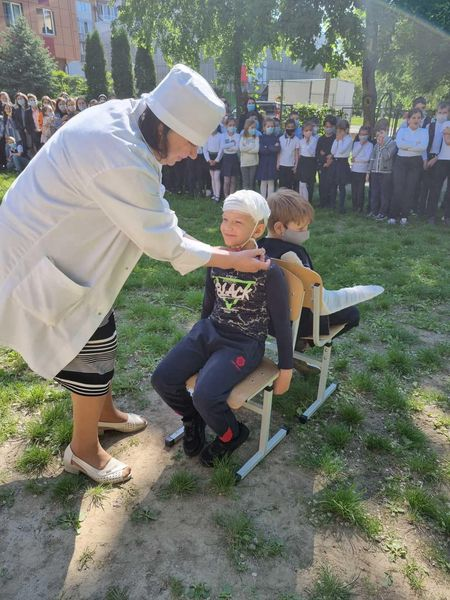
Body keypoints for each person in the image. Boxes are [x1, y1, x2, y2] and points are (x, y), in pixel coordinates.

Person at [0, 64, 270, 485]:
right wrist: (229, 259)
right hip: (42, 254)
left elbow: (156, 212)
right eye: (190, 142)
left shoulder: (134, 122)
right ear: (166, 125)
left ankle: (104, 413)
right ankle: (83, 450)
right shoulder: (118, 153)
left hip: (68, 251)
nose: (194, 154)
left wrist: (217, 254)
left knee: (100, 330)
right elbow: (163, 240)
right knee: (90, 353)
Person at [151, 190, 293, 466]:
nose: (228, 227)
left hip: (244, 343)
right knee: (162, 378)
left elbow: (282, 324)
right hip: (209, 331)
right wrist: (198, 339)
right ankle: (192, 418)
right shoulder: (216, 258)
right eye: (225, 219)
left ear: (258, 229)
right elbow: (209, 303)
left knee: (206, 395)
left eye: (237, 222)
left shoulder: (269, 272)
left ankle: (232, 434)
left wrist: (285, 370)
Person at [258, 188, 360, 351]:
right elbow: (313, 295)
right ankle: (302, 342)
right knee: (353, 313)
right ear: (279, 228)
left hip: (265, 320)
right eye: (301, 229)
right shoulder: (293, 255)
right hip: (298, 322)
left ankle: (298, 343)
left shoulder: (258, 248)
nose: (306, 232)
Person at [389, 108, 428, 225]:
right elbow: (400, 144)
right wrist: (415, 144)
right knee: (398, 189)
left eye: (419, 118)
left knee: (410, 189)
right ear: (409, 119)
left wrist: (407, 145)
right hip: (401, 162)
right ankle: (393, 216)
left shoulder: (424, 132)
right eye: (413, 117)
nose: (416, 120)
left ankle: (404, 216)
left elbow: (423, 147)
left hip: (415, 162)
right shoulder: (402, 131)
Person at [423, 102, 450, 223]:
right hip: (441, 159)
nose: (442, 115)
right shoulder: (445, 125)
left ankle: (447, 216)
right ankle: (431, 215)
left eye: (445, 112)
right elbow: (447, 141)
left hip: (441, 159)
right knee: (435, 188)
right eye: (440, 112)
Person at [368, 126, 397, 221]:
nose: (379, 135)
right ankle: (374, 211)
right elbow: (372, 158)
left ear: (387, 132)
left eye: (381, 133)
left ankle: (383, 213)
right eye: (378, 133)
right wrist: (369, 171)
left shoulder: (392, 143)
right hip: (375, 172)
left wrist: (382, 145)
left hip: (385, 173)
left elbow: (387, 156)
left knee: (384, 194)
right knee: (374, 193)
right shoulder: (376, 144)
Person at [330, 119, 352, 213]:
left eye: (341, 130)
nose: (339, 132)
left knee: (341, 186)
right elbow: (332, 151)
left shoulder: (349, 139)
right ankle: (332, 204)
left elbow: (342, 150)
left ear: (346, 130)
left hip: (343, 163)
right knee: (333, 184)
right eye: (338, 130)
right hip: (335, 162)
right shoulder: (337, 138)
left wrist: (340, 140)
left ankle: (341, 206)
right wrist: (337, 140)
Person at [350, 126, 373, 213]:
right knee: (354, 189)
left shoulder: (370, 145)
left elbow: (367, 158)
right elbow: (353, 155)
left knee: (360, 190)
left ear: (368, 135)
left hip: (363, 170)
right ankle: (354, 206)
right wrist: (361, 145)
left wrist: (357, 160)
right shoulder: (356, 144)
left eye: (365, 134)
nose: (362, 136)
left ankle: (360, 207)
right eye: (361, 134)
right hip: (354, 169)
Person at [316, 115, 337, 208]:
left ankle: (331, 203)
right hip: (322, 165)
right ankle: (322, 202)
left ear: (334, 127)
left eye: (330, 127)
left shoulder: (336, 139)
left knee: (332, 184)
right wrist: (323, 158)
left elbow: (334, 152)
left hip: (332, 165)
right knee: (322, 184)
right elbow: (318, 152)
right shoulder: (321, 139)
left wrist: (328, 156)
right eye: (326, 126)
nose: (328, 128)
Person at [257, 118, 279, 198]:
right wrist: (272, 147)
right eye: (268, 126)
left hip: (272, 163)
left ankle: (270, 199)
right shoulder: (261, 138)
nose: (270, 128)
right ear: (264, 127)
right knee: (263, 182)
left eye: (272, 126)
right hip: (263, 163)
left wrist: (267, 147)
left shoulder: (276, 138)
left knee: (271, 182)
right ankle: (263, 199)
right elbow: (262, 150)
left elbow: (277, 149)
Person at [297, 121, 318, 202]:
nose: (308, 132)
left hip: (311, 162)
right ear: (303, 132)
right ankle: (302, 199)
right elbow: (300, 153)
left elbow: (312, 152)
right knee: (302, 182)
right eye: (306, 130)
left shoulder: (314, 140)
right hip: (303, 161)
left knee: (310, 183)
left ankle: (309, 200)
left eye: (310, 130)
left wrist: (308, 142)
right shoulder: (301, 141)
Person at [277, 118, 300, 189]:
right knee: (281, 184)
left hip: (291, 166)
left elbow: (296, 154)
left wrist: (296, 166)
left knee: (289, 185)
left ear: (295, 128)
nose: (290, 129)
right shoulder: (280, 138)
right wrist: (278, 163)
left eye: (292, 127)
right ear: (285, 127)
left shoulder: (297, 140)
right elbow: (279, 152)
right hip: (282, 165)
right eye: (288, 127)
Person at [220, 116, 240, 197]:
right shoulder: (223, 135)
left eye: (234, 125)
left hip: (234, 158)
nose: (232, 127)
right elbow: (222, 146)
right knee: (226, 181)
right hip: (226, 158)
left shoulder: (238, 136)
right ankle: (226, 196)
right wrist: (232, 144)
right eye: (230, 125)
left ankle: (231, 197)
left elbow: (237, 148)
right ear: (226, 126)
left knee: (233, 180)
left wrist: (228, 146)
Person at [203, 125, 223, 202]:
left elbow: (221, 149)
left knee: (216, 177)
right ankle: (214, 194)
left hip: (217, 157)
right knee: (212, 177)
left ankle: (217, 195)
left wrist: (217, 160)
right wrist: (208, 160)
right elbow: (205, 149)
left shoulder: (220, 136)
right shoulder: (207, 136)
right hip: (210, 157)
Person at [239, 118, 259, 190]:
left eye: (255, 128)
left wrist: (246, 149)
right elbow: (241, 149)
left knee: (252, 182)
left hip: (253, 163)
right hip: (244, 164)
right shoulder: (243, 138)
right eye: (252, 127)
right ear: (247, 127)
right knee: (245, 182)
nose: (254, 129)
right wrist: (251, 146)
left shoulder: (256, 138)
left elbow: (256, 150)